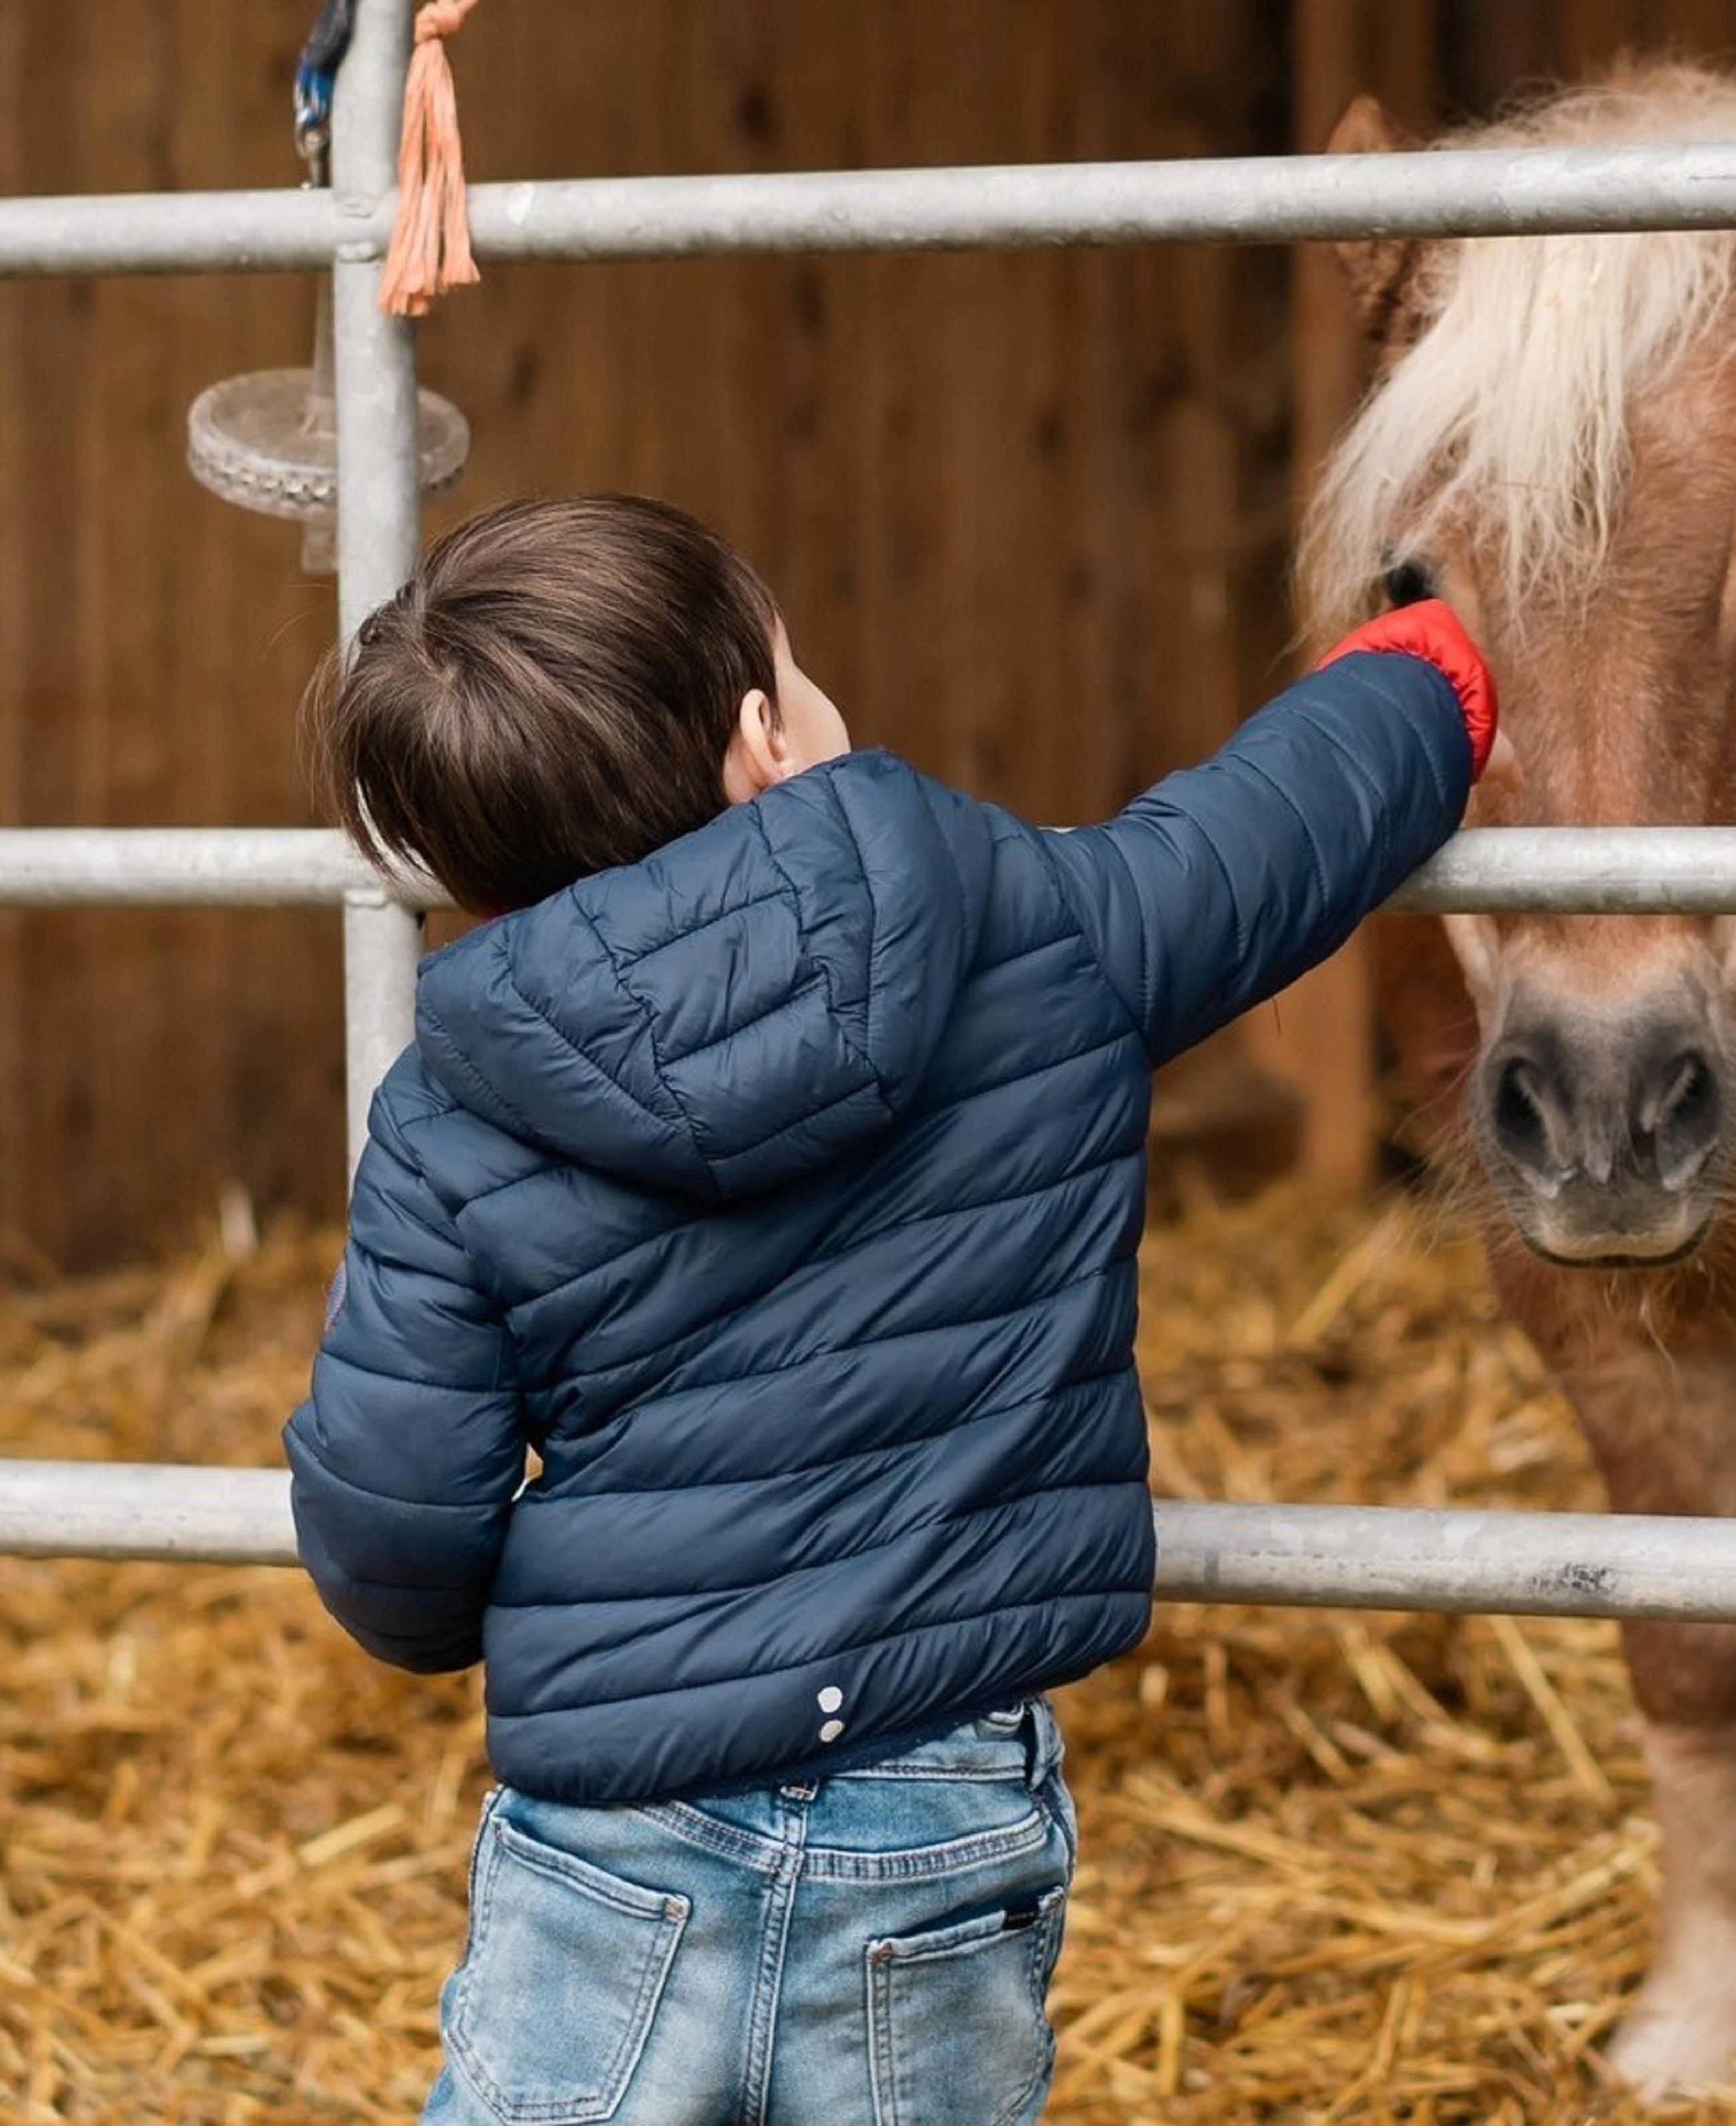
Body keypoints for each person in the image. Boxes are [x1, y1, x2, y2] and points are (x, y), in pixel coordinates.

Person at [282, 492, 1494, 2124]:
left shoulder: (450, 1118)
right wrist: (1432, 669)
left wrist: (528, 1630)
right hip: (932, 1805)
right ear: (766, 738)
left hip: (613, 1843)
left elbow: (394, 1532)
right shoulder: (1024, 927)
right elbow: (1262, 838)